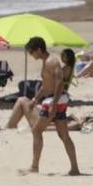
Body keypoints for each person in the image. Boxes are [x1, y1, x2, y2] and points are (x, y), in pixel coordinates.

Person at [24, 37, 80, 176]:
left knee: (37, 131)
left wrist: (53, 105)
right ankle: (75, 168)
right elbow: (46, 85)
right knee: (64, 135)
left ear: (39, 49)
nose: (31, 55)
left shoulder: (51, 61)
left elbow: (59, 82)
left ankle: (34, 167)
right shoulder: (47, 62)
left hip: (54, 101)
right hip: (56, 100)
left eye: (32, 52)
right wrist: (35, 99)